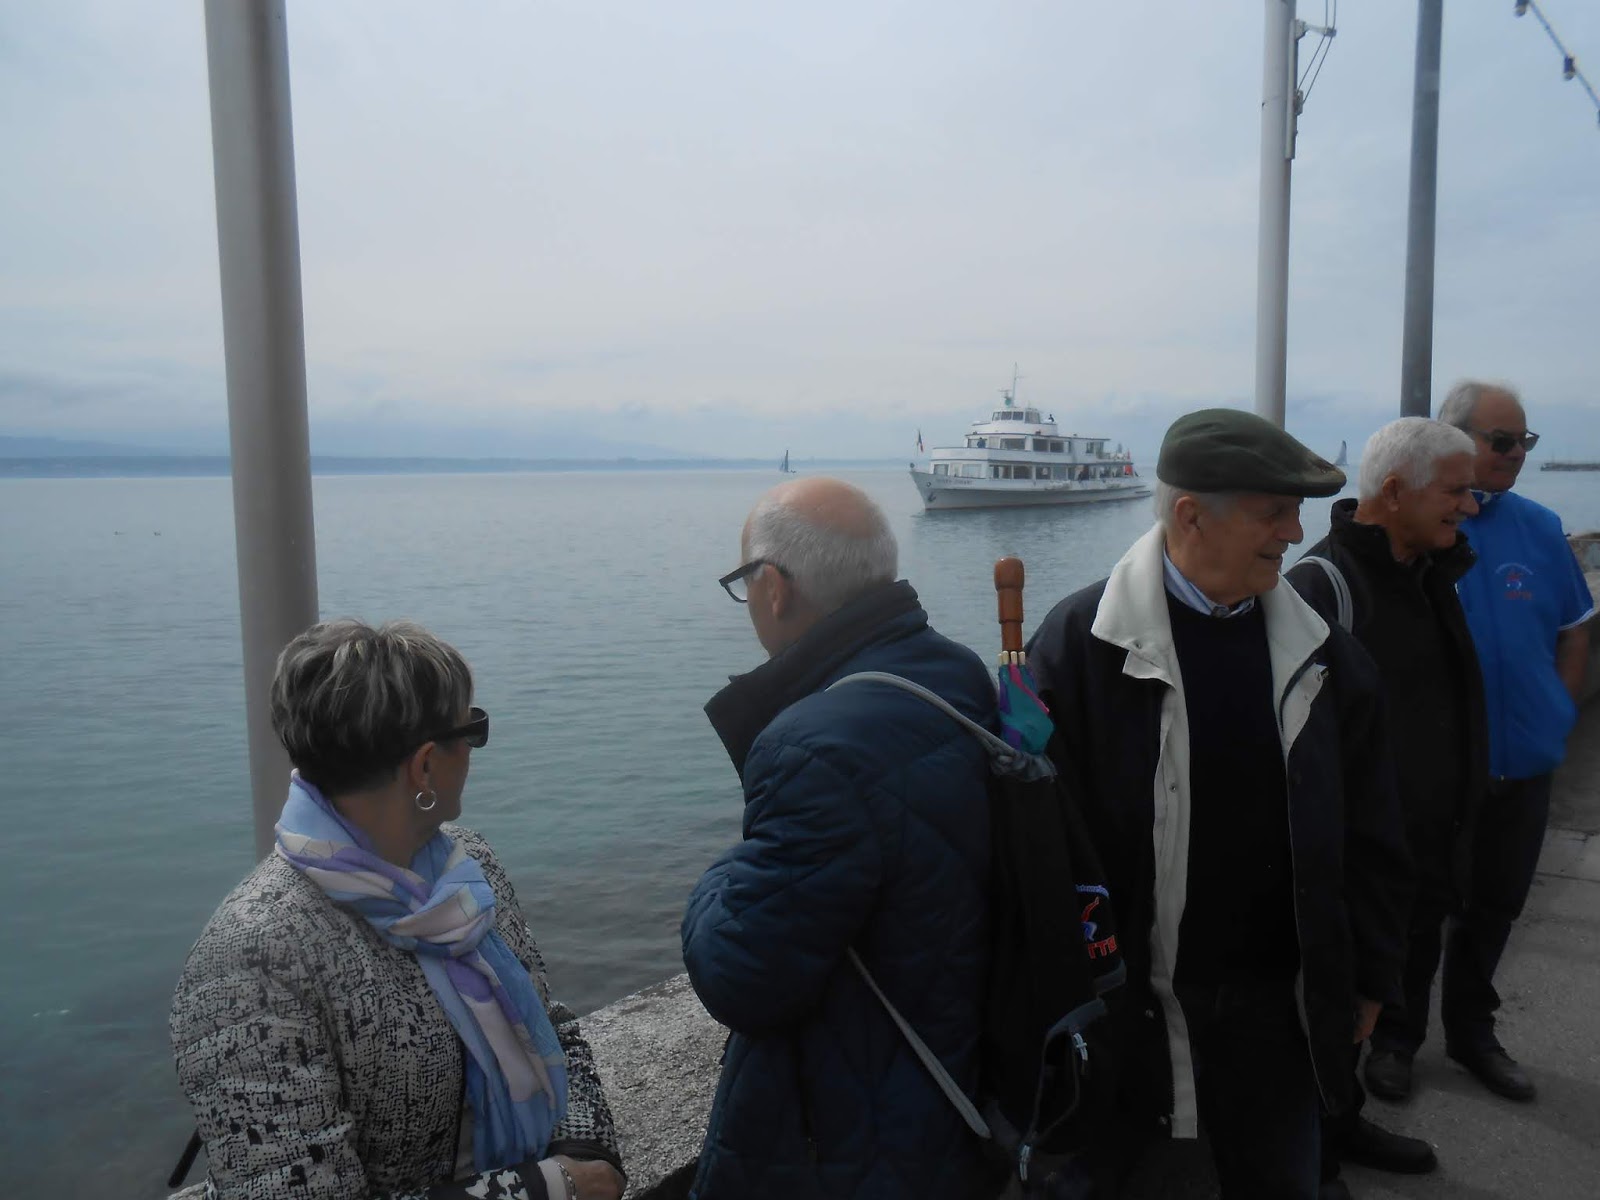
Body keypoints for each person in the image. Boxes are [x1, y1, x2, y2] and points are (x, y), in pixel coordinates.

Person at [1025, 409, 1412, 1200]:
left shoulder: (1325, 655)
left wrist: (1373, 973)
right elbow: (1039, 848)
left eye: (1295, 512)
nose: (1295, 533)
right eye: (1274, 513)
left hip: (1283, 1004)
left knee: (1283, 1179)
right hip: (1130, 1004)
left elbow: (1373, 827)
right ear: (1190, 515)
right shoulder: (1077, 647)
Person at [170, 620, 624, 1200]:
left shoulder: (469, 867)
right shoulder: (253, 957)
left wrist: (587, 1150)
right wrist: (550, 1187)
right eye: (473, 729)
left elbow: (547, 1019)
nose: (475, 750)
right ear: (425, 765)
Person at [683, 478, 996, 1200]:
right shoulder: (955, 670)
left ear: (773, 588)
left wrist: (715, 880)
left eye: (744, 583)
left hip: (865, 1133)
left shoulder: (811, 745)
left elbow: (743, 975)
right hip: (963, 1072)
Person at [1287, 417, 1485, 1190]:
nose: (1471, 505)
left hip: (1421, 845)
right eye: (1456, 489)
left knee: (1376, 993)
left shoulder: (1427, 572)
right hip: (1355, 858)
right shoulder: (1322, 585)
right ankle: (1312, 1155)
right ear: (1395, 492)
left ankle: (1343, 1121)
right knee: (1331, 1006)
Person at [1434, 380, 1595, 1102]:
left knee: (1495, 906)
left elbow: (1575, 629)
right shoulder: (1423, 526)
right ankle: (1395, 1038)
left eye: (1523, 441)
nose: (1516, 454)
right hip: (1439, 767)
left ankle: (1472, 1032)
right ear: (1455, 439)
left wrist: (1556, 714)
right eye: (1501, 440)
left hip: (1525, 764)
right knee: (1415, 906)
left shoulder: (1540, 526)